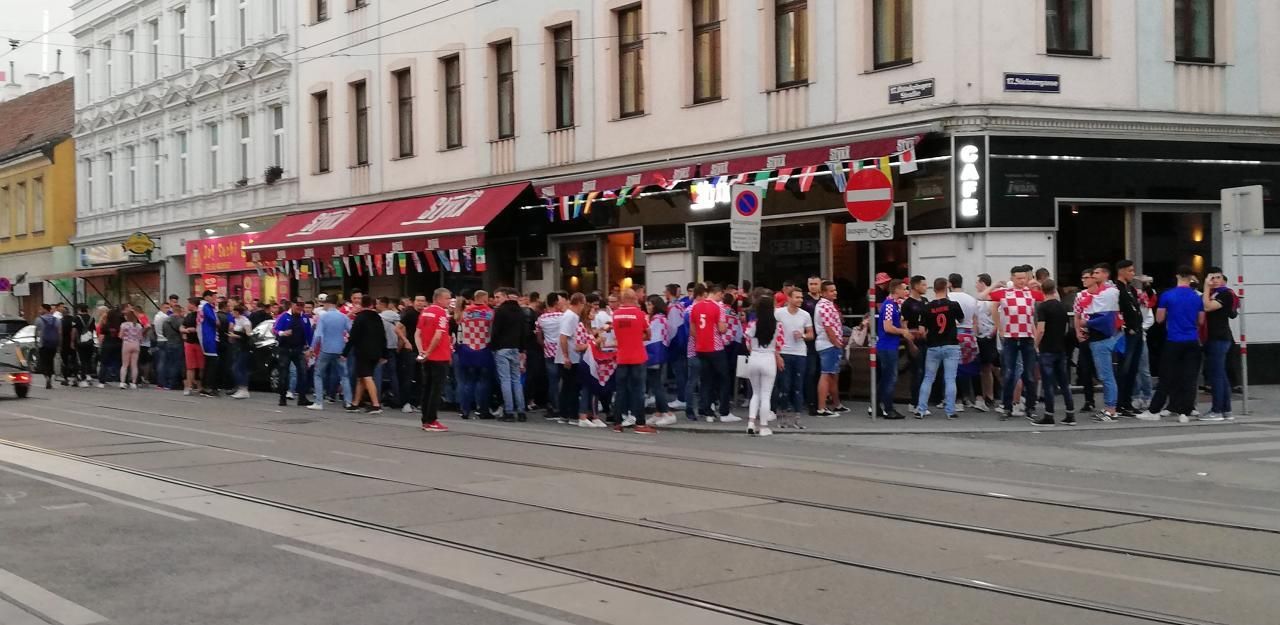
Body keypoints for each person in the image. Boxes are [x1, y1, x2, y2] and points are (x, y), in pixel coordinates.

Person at [1139, 267, 1204, 422]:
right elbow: (1201, 321)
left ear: (1177, 276)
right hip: (1192, 340)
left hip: (1174, 340)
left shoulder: (1168, 295)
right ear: (1191, 278)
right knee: (1189, 377)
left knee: (1167, 376)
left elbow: (1159, 318)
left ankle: (1154, 410)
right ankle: (1185, 412)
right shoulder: (1197, 297)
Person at [983, 266, 1044, 419]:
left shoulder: (1030, 294)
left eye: (1024, 278)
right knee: (1009, 373)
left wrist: (1038, 284)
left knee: (1028, 374)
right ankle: (1007, 406)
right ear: (1012, 279)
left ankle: (1030, 406)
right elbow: (985, 298)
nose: (1022, 281)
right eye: (1018, 278)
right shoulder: (1004, 294)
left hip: (1027, 337)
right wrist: (999, 327)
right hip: (1010, 337)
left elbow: (1047, 296)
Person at [915, 279, 964, 420]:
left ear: (934, 289)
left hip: (933, 346)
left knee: (928, 378)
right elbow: (961, 320)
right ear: (946, 288)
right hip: (951, 345)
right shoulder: (953, 305)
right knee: (950, 379)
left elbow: (921, 331)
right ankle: (950, 411)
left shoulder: (926, 307)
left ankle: (921, 409)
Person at [691, 284, 736, 423]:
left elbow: (692, 330)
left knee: (706, 380)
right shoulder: (719, 307)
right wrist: (725, 326)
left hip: (700, 347)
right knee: (724, 379)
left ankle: (707, 411)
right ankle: (724, 411)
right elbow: (722, 329)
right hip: (715, 347)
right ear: (717, 294)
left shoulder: (695, 306)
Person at [1032, 279, 1075, 426]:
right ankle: (1070, 414)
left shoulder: (1043, 307)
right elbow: (1066, 329)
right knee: (1064, 383)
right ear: (1054, 289)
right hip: (1060, 348)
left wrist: (1035, 344)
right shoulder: (1063, 306)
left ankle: (1049, 415)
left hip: (1047, 349)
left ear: (1042, 291)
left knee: (1048, 384)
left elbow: (1041, 329)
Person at [611, 288, 653, 433]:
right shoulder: (639, 314)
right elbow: (648, 334)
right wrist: (638, 337)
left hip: (622, 356)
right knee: (638, 391)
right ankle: (640, 424)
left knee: (621, 391)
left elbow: (617, 335)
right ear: (633, 298)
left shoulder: (615, 315)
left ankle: (617, 422)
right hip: (637, 356)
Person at [1084, 264, 1122, 422]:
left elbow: (1104, 317)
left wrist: (1086, 323)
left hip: (1102, 339)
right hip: (1099, 338)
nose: (1094, 275)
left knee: (1106, 375)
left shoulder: (1108, 293)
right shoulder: (1105, 293)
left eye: (1097, 273)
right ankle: (1109, 407)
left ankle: (1111, 409)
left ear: (1106, 274)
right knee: (1105, 375)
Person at [745, 293, 784, 436]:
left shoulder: (752, 324)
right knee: (766, 395)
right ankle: (763, 426)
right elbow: (780, 345)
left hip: (754, 357)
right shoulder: (778, 326)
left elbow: (748, 344)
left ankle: (750, 422)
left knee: (755, 393)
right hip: (768, 359)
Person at [1202, 267, 1237, 421]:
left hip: (1220, 337)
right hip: (1213, 337)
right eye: (1212, 277)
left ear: (1223, 278)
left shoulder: (1225, 294)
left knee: (1216, 375)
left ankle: (1217, 410)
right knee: (1220, 374)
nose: (1215, 280)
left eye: (1218, 277)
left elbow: (1207, 307)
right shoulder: (1213, 293)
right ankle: (1226, 410)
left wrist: (1205, 287)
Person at [775, 288, 813, 429]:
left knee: (798, 386)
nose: (800, 300)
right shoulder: (779, 313)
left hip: (800, 353)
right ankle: (783, 416)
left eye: (801, 298)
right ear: (789, 298)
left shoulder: (805, 315)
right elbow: (773, 333)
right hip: (784, 352)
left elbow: (811, 334)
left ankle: (797, 417)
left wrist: (803, 335)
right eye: (797, 297)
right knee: (785, 385)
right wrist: (777, 354)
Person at [490, 287, 530, 422]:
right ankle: (521, 410)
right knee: (516, 380)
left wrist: (493, 346)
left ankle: (509, 411)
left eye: (498, 297)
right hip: (516, 348)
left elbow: (495, 331)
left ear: (506, 297)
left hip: (502, 348)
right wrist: (522, 350)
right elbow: (524, 332)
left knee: (505, 380)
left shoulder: (500, 311)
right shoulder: (521, 311)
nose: (496, 300)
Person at [309, 296, 354, 411]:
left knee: (318, 374)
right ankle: (348, 402)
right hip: (340, 349)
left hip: (326, 349)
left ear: (327, 304)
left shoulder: (323, 317)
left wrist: (312, 348)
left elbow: (318, 335)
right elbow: (351, 332)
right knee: (344, 375)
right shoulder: (343, 317)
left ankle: (319, 402)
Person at [455, 291, 494, 420]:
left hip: (467, 349)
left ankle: (465, 410)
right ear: (485, 298)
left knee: (468, 381)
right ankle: (483, 410)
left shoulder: (465, 312)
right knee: (483, 381)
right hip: (484, 349)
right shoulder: (490, 312)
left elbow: (458, 323)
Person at [418, 288, 453, 431]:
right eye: (447, 298)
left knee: (427, 387)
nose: (449, 301)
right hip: (439, 355)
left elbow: (417, 333)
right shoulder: (441, 313)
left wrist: (422, 351)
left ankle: (425, 418)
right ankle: (432, 420)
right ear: (438, 298)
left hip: (427, 356)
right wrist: (429, 352)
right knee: (436, 389)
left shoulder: (425, 311)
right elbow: (438, 336)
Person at [1114, 260, 1145, 417]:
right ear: (1122, 271)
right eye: (1130, 271)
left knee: (1133, 369)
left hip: (1138, 332)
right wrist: (1125, 327)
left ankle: (1127, 402)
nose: (1133, 274)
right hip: (1127, 334)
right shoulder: (1116, 289)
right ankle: (1120, 403)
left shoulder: (1130, 289)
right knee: (1124, 369)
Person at [557, 293, 594, 427]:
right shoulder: (571, 316)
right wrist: (566, 356)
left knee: (568, 386)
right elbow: (563, 337)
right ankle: (570, 414)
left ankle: (564, 414)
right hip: (570, 357)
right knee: (572, 386)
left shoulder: (570, 315)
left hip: (570, 356)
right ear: (579, 302)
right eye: (583, 304)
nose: (584, 307)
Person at [877, 280, 911, 419]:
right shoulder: (890, 305)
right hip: (888, 346)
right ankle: (888, 408)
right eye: (904, 289)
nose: (906, 291)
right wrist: (903, 332)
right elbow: (888, 327)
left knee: (885, 378)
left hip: (889, 346)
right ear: (896, 290)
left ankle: (876, 406)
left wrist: (903, 323)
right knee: (890, 378)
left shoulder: (895, 305)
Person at [813, 280, 847, 417]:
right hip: (828, 344)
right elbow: (828, 327)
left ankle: (836, 404)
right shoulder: (825, 306)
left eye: (835, 290)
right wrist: (836, 342)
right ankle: (822, 407)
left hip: (830, 344)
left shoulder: (829, 304)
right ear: (823, 293)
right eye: (831, 291)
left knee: (833, 374)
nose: (835, 292)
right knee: (826, 374)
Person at [347, 300, 386, 414]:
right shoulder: (378, 318)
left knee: (367, 377)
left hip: (363, 352)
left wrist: (345, 352)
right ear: (372, 305)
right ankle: (355, 403)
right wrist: (384, 353)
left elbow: (353, 337)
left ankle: (376, 404)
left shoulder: (360, 318)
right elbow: (383, 336)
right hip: (376, 352)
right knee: (361, 377)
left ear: (361, 305)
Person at [273, 299, 314, 407]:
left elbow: (309, 333)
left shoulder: (304, 318)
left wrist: (310, 348)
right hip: (285, 349)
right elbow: (275, 329)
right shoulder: (284, 316)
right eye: (297, 306)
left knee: (303, 373)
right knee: (284, 374)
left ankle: (302, 398)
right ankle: (282, 398)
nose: (299, 308)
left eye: (302, 306)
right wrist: (283, 333)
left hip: (298, 349)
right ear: (292, 305)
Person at [948, 273, 980, 411]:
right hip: (969, 334)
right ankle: (972, 397)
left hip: (954, 333)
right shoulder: (971, 299)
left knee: (954, 368)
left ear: (950, 283)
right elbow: (975, 320)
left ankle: (958, 399)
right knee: (971, 367)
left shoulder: (948, 298)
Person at [644, 295, 677, 427]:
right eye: (647, 304)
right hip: (660, 353)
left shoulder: (657, 320)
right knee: (655, 383)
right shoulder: (662, 319)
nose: (648, 307)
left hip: (654, 354)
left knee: (656, 384)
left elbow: (650, 337)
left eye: (650, 304)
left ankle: (667, 412)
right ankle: (659, 412)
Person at [902, 276, 930, 413]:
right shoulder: (907, 304)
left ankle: (922, 401)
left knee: (925, 371)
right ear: (915, 286)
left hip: (925, 340)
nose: (926, 287)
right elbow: (904, 325)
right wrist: (910, 343)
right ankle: (915, 402)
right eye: (923, 285)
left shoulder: (925, 301)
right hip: (914, 341)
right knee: (917, 371)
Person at [537, 292, 565, 421]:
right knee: (563, 380)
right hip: (562, 351)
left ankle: (554, 407)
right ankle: (563, 406)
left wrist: (545, 344)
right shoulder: (563, 317)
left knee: (552, 381)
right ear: (556, 303)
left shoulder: (541, 319)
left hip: (548, 351)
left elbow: (539, 337)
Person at [972, 274, 998, 411]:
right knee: (983, 367)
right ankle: (985, 395)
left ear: (982, 283)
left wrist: (994, 330)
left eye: (977, 282)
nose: (976, 285)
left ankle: (990, 395)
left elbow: (997, 316)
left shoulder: (992, 298)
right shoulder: (978, 299)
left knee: (988, 366)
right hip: (980, 335)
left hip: (988, 336)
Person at [374, 297, 404, 409]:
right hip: (394, 347)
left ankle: (376, 398)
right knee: (393, 374)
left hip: (382, 347)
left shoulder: (379, 318)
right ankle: (397, 397)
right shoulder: (397, 316)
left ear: (382, 304)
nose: (376, 306)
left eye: (377, 304)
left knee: (378, 373)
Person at [398, 295, 425, 414]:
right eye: (418, 301)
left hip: (422, 350)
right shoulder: (409, 314)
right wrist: (406, 341)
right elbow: (397, 328)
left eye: (422, 301)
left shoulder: (425, 314)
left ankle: (416, 402)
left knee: (420, 377)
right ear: (414, 302)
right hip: (410, 350)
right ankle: (405, 402)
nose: (420, 303)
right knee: (408, 377)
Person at [196, 290, 220, 397]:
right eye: (212, 296)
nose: (213, 298)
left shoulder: (202, 307)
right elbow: (215, 321)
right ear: (206, 297)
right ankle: (209, 387)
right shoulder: (206, 306)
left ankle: (205, 386)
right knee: (212, 363)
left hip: (206, 336)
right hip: (209, 337)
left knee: (208, 363)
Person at [228, 305, 253, 399]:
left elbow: (248, 335)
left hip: (244, 347)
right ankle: (241, 388)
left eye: (233, 312)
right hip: (237, 347)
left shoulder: (245, 322)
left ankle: (243, 389)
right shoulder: (237, 320)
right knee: (241, 368)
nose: (232, 313)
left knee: (237, 368)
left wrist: (236, 336)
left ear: (237, 312)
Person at [179, 298, 202, 396]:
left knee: (201, 366)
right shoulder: (188, 315)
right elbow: (181, 326)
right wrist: (184, 330)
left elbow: (203, 327)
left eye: (189, 303)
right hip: (189, 342)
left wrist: (195, 329)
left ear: (194, 304)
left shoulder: (201, 315)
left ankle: (201, 386)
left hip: (200, 343)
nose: (187, 305)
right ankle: (189, 386)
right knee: (190, 366)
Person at [34, 304, 60, 390]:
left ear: (45, 309)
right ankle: (50, 376)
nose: (39, 310)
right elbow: (60, 333)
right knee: (50, 361)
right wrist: (59, 344)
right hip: (53, 344)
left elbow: (36, 333)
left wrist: (36, 343)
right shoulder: (57, 320)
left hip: (43, 344)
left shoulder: (38, 320)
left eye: (41, 309)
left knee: (44, 362)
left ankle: (47, 377)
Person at [114, 310, 142, 389]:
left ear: (127, 317)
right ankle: (133, 383)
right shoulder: (138, 325)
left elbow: (120, 335)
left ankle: (122, 382)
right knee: (134, 365)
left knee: (124, 365)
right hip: (136, 345)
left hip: (126, 344)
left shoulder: (124, 325)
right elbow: (140, 337)